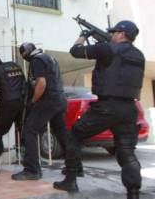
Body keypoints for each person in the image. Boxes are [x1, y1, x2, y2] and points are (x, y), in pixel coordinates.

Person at [53, 20, 144, 199]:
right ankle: (133, 193)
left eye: (114, 32)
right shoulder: (139, 55)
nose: (111, 35)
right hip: (129, 108)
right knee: (126, 152)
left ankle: (70, 179)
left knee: (74, 134)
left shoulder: (107, 49)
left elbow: (75, 51)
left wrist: (83, 36)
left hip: (107, 106)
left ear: (122, 34)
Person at [11, 43, 69, 181]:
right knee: (62, 133)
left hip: (48, 100)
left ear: (28, 52)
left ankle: (32, 170)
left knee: (29, 130)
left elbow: (41, 83)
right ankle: (75, 166)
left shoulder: (37, 60)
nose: (24, 59)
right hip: (60, 100)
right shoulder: (50, 58)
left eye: (24, 55)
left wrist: (33, 101)